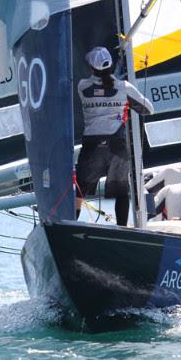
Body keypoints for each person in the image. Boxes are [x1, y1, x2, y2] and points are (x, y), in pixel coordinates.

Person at [75, 46, 154, 226]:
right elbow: (148, 109)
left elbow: (102, 88)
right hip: (117, 147)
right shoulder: (123, 87)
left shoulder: (83, 86)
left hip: (92, 147)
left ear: (91, 68)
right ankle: (122, 228)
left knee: (80, 189)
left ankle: (68, 224)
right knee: (121, 192)